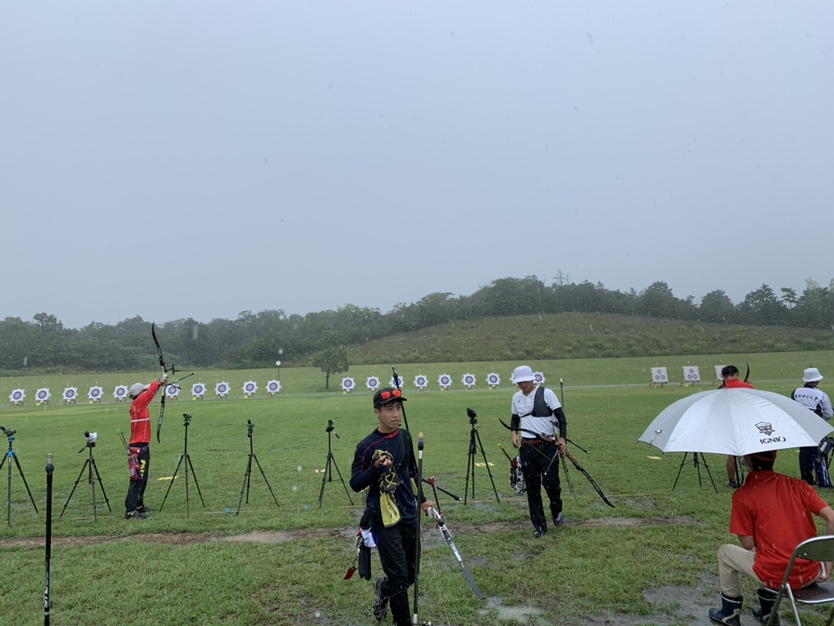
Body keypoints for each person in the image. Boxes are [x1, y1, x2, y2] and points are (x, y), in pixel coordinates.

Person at [708, 450, 834, 625]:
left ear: (747, 461)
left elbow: (747, 544)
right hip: (811, 573)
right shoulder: (798, 485)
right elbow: (832, 518)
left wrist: (740, 520)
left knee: (725, 553)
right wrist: (828, 564)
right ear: (775, 458)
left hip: (778, 577)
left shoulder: (743, 495)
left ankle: (730, 613)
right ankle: (768, 613)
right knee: (767, 551)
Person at [350, 387, 434, 626]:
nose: (396, 414)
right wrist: (375, 468)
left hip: (408, 512)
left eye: (398, 408)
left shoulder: (405, 437)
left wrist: (423, 499)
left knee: (410, 573)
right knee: (399, 578)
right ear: (377, 413)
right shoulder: (366, 446)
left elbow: (413, 473)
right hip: (382, 517)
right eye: (389, 409)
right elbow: (356, 484)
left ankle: (382, 588)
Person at [509, 365, 567, 538]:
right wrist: (513, 433)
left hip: (548, 446)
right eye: (519, 382)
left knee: (551, 484)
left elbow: (561, 417)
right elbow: (514, 418)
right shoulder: (516, 398)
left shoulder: (547, 393)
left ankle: (556, 511)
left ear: (532, 379)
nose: (522, 385)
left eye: (525, 381)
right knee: (533, 489)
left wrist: (562, 439)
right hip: (527, 448)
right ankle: (540, 526)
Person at [124, 375, 167, 519]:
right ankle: (130, 510)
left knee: (143, 478)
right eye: (142, 391)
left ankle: (138, 505)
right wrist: (158, 383)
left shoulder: (139, 403)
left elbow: (148, 390)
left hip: (142, 447)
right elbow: (149, 393)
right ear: (139, 394)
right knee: (137, 479)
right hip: (137, 448)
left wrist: (159, 384)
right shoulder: (138, 404)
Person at [792, 367, 834, 486]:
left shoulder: (796, 392)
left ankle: (807, 478)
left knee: (805, 452)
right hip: (816, 428)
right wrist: (820, 421)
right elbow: (828, 413)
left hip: (801, 426)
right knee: (820, 452)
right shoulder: (821, 395)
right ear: (817, 381)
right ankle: (823, 480)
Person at [720, 365, 754, 489]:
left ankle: (732, 480)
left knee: (731, 453)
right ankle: (754, 479)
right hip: (746, 422)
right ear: (736, 374)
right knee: (749, 452)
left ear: (723, 376)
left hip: (729, 424)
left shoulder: (721, 390)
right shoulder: (748, 387)